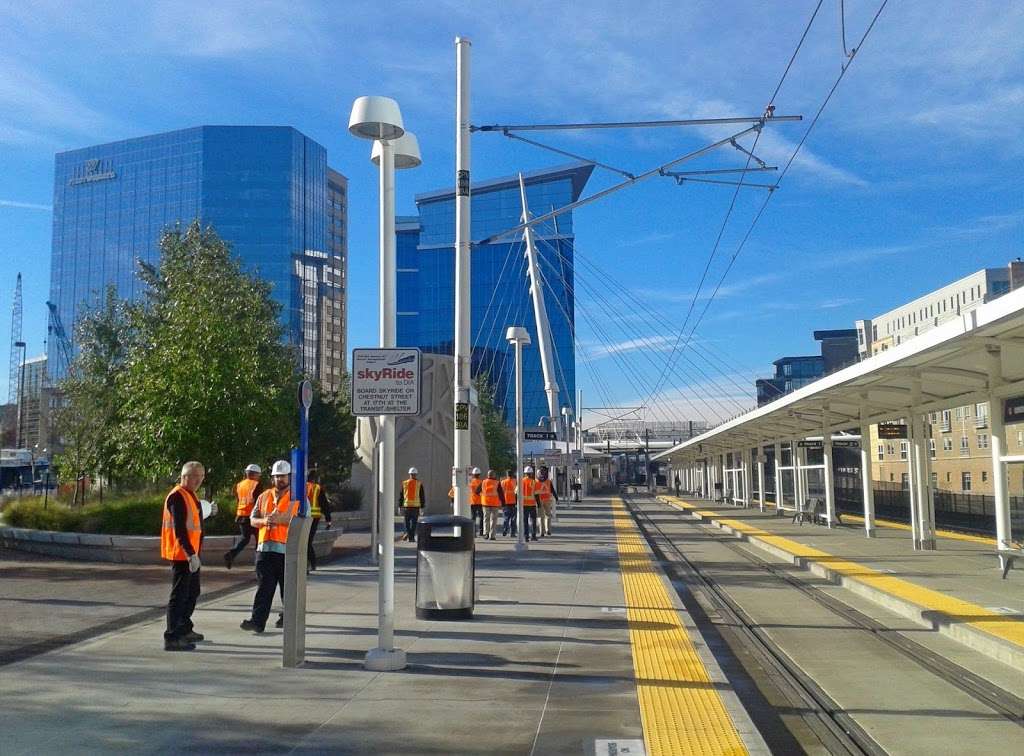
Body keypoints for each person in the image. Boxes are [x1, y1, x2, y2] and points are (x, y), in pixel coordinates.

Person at [162, 461, 217, 651]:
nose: (198, 480)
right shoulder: (177, 496)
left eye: (201, 477)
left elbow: (192, 522)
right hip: (182, 555)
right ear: (184, 476)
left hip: (191, 554)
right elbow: (179, 529)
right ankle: (172, 637)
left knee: (192, 592)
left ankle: (184, 628)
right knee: (179, 595)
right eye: (195, 476)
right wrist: (190, 554)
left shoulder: (189, 495)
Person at [240, 460, 298, 633]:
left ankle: (288, 619)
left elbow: (301, 519)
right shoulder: (264, 496)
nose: (280, 479)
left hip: (287, 550)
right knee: (264, 588)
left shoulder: (297, 497)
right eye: (277, 476)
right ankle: (257, 622)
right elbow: (253, 519)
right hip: (265, 550)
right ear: (272, 478)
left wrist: (281, 519)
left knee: (287, 589)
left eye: (283, 476)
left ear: (289, 477)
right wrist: (264, 521)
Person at [224, 464, 264, 569]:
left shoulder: (239, 485)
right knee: (259, 541)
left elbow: (239, 500)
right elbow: (259, 502)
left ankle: (230, 555)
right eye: (259, 475)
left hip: (241, 516)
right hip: (253, 517)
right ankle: (259, 564)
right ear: (256, 474)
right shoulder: (257, 484)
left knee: (244, 538)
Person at [306, 470, 332, 572]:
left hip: (302, 517)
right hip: (314, 518)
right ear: (314, 478)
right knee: (308, 541)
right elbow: (324, 504)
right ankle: (311, 563)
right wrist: (328, 519)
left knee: (305, 542)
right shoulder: (317, 488)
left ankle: (310, 564)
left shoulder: (299, 486)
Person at [399, 467, 425, 541]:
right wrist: (422, 507)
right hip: (415, 507)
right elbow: (422, 496)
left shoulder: (405, 483)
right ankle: (411, 537)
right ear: (416, 474)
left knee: (407, 523)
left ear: (409, 474)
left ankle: (408, 534)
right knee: (414, 523)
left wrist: (400, 506)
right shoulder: (419, 484)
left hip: (407, 507)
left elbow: (401, 496)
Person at [480, 469, 503, 540]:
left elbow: (476, 491)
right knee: (493, 520)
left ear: (488, 475)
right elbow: (501, 494)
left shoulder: (483, 482)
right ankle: (492, 535)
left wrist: (482, 496)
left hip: (485, 503)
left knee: (486, 519)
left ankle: (485, 534)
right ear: (493, 475)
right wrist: (503, 503)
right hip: (494, 504)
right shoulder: (497, 483)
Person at [536, 466, 558, 537]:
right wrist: (556, 497)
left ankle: (541, 532)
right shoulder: (548, 481)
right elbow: (552, 490)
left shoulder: (536, 481)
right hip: (547, 500)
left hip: (539, 500)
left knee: (540, 516)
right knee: (548, 515)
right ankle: (548, 530)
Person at [520, 466, 539, 541]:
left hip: (523, 504)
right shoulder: (534, 482)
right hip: (532, 504)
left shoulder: (521, 481)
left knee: (525, 521)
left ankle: (526, 536)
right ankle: (533, 536)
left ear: (525, 473)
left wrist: (517, 503)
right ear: (531, 473)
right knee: (533, 520)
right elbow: (536, 494)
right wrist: (539, 504)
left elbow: (516, 492)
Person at [500, 469, 518, 537]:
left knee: (506, 518)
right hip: (514, 502)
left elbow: (501, 493)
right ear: (512, 474)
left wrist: (501, 502)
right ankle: (512, 533)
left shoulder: (503, 482)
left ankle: (505, 530)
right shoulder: (515, 481)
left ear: (507, 475)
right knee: (513, 518)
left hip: (505, 502)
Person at [469, 467, 483, 536]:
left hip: (472, 501)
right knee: (481, 517)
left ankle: (473, 532)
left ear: (473, 474)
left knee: (473, 517)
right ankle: (481, 532)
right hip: (480, 502)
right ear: (479, 474)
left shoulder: (470, 482)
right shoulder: (481, 482)